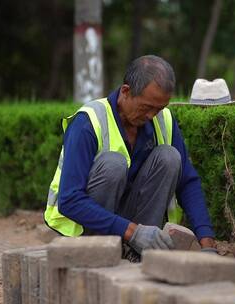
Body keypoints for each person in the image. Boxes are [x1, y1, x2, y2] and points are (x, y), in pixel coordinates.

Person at [44, 55, 216, 260]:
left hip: (136, 231)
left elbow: (187, 182)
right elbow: (70, 200)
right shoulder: (88, 122)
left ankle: (139, 253)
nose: (152, 116)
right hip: (89, 230)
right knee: (113, 164)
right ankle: (106, 249)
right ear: (126, 92)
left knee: (169, 157)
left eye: (159, 108)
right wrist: (133, 232)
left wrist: (207, 242)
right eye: (146, 107)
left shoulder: (163, 120)